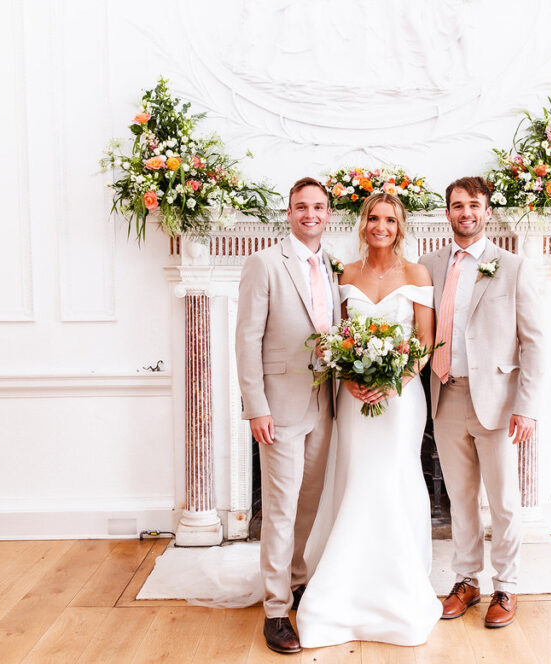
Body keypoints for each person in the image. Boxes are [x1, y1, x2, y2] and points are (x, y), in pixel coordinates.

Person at [296, 192, 442, 647]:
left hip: (400, 399)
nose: (382, 227)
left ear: (400, 226)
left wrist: (391, 382)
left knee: (395, 478)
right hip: (354, 399)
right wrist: (350, 376)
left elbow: (424, 343)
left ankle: (400, 581)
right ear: (363, 224)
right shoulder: (346, 274)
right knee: (357, 477)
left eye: (390, 220)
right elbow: (339, 338)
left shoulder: (416, 274)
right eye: (374, 219)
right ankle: (346, 580)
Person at [418, 176, 545, 629]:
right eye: (457, 205)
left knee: (504, 501)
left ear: (487, 211)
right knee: (460, 497)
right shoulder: (428, 264)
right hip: (446, 394)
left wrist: (526, 405)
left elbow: (534, 342)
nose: (465, 213)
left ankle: (506, 585)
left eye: (474, 205)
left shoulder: (512, 266)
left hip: (496, 400)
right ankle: (466, 581)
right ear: (447, 212)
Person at [235, 177, 340, 654]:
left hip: (324, 403)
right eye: (302, 207)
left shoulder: (330, 264)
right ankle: (276, 610)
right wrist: (255, 407)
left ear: (329, 213)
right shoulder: (263, 263)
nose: (310, 214)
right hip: (278, 408)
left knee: (308, 504)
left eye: (318, 207)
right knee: (279, 509)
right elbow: (247, 340)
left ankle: (297, 582)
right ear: (289, 213)